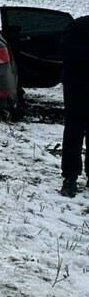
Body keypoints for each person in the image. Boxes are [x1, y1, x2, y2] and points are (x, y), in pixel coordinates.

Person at [59, 15, 89, 197]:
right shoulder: (79, 26)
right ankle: (70, 177)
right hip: (77, 88)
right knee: (74, 132)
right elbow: (67, 51)